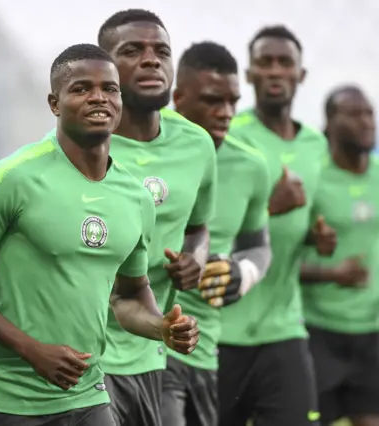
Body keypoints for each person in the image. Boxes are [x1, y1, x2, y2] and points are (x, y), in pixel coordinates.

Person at [0, 43, 199, 426]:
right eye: (81, 88)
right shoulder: (13, 177)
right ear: (54, 103)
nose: (99, 98)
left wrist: (161, 326)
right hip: (5, 399)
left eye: (109, 89)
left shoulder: (135, 197)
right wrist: (33, 351)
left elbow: (128, 295)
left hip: (88, 395)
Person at [95, 10, 215, 426]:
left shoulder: (197, 145)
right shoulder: (81, 147)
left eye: (161, 51)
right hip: (80, 354)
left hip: (151, 347)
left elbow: (199, 226)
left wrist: (194, 258)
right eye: (132, 51)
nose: (151, 60)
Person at [217, 25, 337, 426]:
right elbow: (206, 234)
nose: (274, 71)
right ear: (249, 74)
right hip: (222, 331)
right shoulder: (228, 136)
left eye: (285, 63)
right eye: (264, 63)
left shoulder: (316, 146)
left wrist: (318, 238)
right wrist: (272, 206)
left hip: (285, 327)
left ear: (300, 75)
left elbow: (306, 223)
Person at [161, 41, 272, 426]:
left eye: (232, 101)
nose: (225, 113)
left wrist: (243, 273)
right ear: (178, 97)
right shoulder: (142, 150)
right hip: (145, 348)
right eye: (212, 101)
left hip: (205, 348)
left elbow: (259, 246)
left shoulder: (251, 166)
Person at [300, 86, 379, 426]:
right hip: (318, 330)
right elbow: (280, 256)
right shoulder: (311, 179)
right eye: (354, 114)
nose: (366, 122)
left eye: (369, 113)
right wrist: (331, 273)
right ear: (329, 124)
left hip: (372, 331)